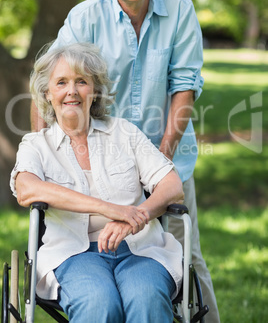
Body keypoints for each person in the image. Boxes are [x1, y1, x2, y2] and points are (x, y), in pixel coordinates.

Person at [31, 0, 220, 322]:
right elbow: (53, 77)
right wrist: (45, 151)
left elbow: (184, 86)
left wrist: (158, 161)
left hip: (163, 159)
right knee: (97, 266)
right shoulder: (86, 17)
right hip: (94, 163)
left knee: (187, 259)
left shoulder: (180, 9)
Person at [11, 42, 185, 323]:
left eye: (81, 81)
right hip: (73, 253)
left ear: (94, 91)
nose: (72, 91)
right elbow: (27, 189)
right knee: (97, 304)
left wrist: (132, 219)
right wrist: (110, 209)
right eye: (62, 82)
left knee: (147, 299)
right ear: (47, 93)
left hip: (140, 247)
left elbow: (172, 185)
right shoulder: (36, 145)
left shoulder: (124, 133)